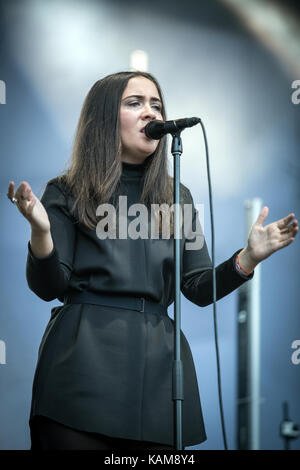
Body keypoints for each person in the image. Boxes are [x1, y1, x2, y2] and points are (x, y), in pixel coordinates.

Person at [7, 71, 298, 451]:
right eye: (135, 103)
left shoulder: (178, 198)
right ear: (104, 118)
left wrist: (248, 258)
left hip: (158, 376)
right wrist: (42, 232)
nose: (150, 112)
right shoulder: (67, 190)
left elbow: (197, 287)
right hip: (80, 368)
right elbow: (49, 287)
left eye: (156, 104)